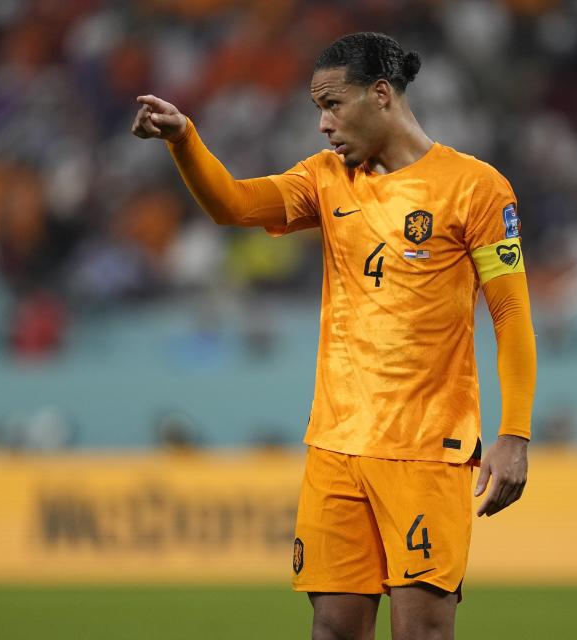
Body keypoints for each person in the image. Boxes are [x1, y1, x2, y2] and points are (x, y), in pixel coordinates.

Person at [131, 32, 536, 639]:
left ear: (380, 96)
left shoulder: (475, 188)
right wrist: (185, 140)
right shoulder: (325, 179)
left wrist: (515, 434)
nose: (322, 124)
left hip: (425, 452)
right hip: (335, 446)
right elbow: (235, 205)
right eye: (316, 108)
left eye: (332, 104)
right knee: (332, 630)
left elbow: (511, 315)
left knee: (421, 631)